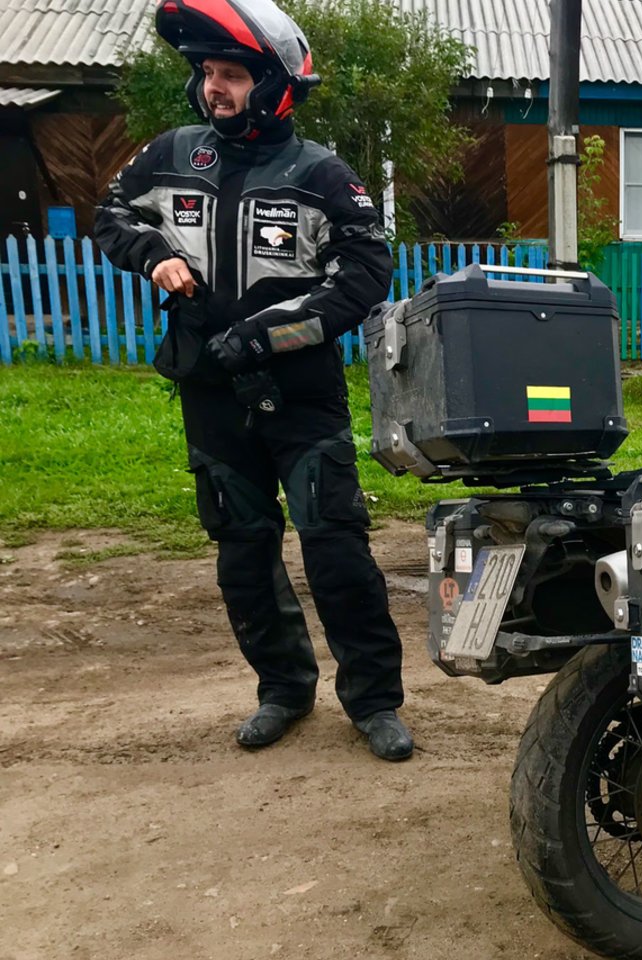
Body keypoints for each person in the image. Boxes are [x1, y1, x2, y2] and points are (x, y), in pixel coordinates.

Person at [94, 0, 412, 761]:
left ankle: (374, 702)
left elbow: (363, 276)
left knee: (336, 552)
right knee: (242, 552)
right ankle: (284, 690)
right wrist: (152, 256)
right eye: (208, 73)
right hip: (210, 394)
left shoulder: (323, 174)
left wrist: (267, 335)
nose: (215, 87)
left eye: (231, 74)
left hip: (300, 396)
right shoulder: (171, 154)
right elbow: (110, 215)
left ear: (274, 84)